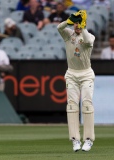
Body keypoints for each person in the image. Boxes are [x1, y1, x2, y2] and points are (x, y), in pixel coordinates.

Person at [57, 10, 95, 152]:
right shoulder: (68, 35)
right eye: (76, 24)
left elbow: (89, 41)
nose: (77, 26)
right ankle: (75, 140)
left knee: (86, 104)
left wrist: (83, 27)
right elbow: (59, 28)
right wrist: (69, 21)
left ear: (84, 24)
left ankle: (88, 140)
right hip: (71, 74)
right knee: (72, 106)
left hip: (86, 74)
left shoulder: (89, 36)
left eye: (79, 24)